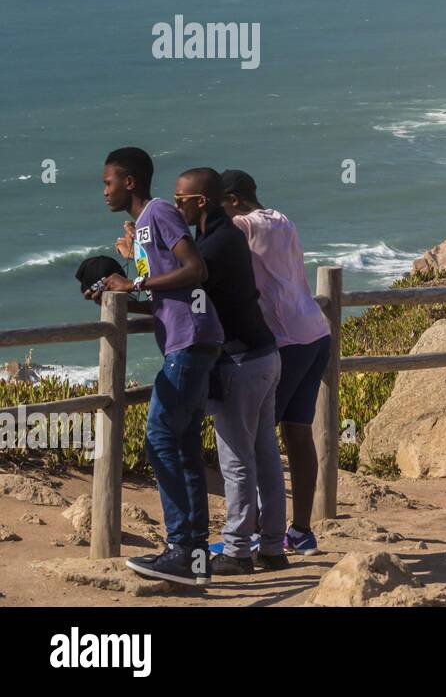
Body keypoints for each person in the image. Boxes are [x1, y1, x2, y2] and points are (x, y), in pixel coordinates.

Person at [90, 148, 223, 586]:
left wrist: (135, 281)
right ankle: (196, 558)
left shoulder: (159, 212)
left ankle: (181, 548)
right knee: (182, 447)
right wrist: (124, 298)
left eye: (108, 181)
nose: (104, 189)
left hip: (189, 342)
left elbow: (195, 269)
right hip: (191, 338)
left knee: (160, 439)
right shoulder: (147, 225)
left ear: (129, 182)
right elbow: (169, 295)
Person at [173, 168, 290, 575]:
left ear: (201, 201)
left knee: (237, 461)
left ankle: (238, 551)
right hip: (264, 354)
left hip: (239, 362)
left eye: (181, 199)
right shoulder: (229, 236)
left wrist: (136, 274)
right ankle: (273, 547)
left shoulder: (214, 244)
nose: (176, 207)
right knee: (265, 455)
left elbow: (185, 288)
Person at [221, 169, 331, 556]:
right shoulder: (281, 219)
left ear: (233, 200)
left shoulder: (241, 226)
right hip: (316, 333)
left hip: (284, 341)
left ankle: (254, 533)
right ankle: (300, 531)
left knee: (254, 440)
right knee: (298, 434)